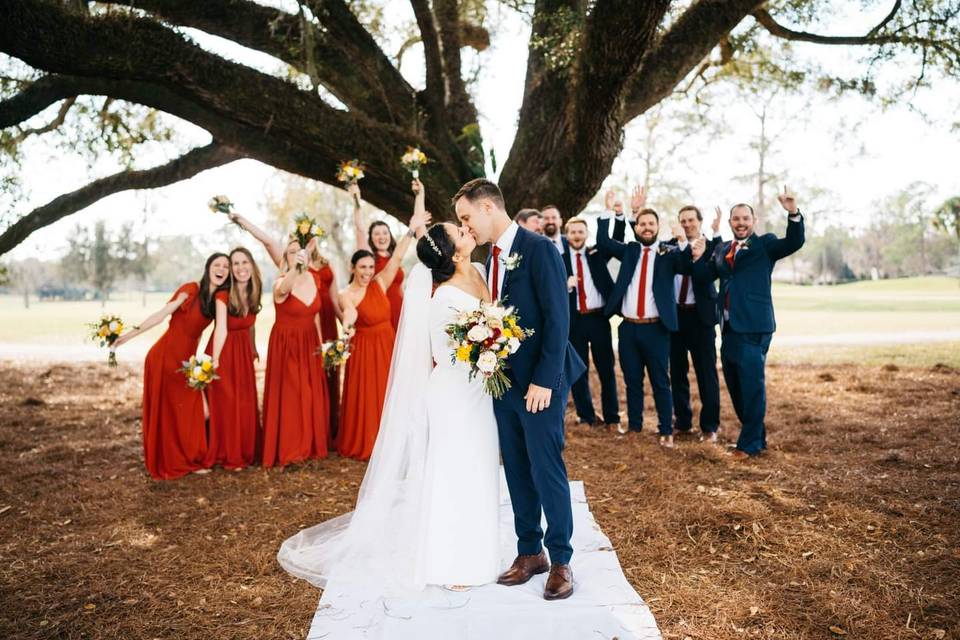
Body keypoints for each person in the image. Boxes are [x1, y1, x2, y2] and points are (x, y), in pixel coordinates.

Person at [277, 219, 499, 594]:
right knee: (451, 473)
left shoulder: (479, 270)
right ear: (449, 249)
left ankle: (481, 548)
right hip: (453, 394)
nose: (466, 230)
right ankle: (450, 560)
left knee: (480, 465)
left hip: (481, 393)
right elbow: (448, 352)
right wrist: (490, 348)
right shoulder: (442, 296)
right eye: (459, 231)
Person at [455, 178, 585, 601]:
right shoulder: (487, 260)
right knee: (515, 468)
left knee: (547, 469)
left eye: (466, 217)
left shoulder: (539, 249)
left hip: (540, 385)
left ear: (488, 207)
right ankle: (529, 551)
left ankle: (561, 558)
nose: (466, 227)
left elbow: (557, 318)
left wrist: (545, 380)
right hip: (503, 383)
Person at [691, 186, 805, 458]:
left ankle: (750, 444)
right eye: (736, 219)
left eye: (745, 218)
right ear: (730, 223)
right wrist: (697, 257)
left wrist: (793, 213)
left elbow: (793, 242)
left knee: (752, 386)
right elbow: (703, 277)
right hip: (729, 328)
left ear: (753, 221)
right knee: (736, 385)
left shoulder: (765, 245)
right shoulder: (722, 250)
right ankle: (756, 436)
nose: (740, 223)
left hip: (755, 327)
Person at [113, 253, 230, 479]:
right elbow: (160, 315)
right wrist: (127, 336)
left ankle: (188, 459)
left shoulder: (220, 297)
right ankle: (176, 462)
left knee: (197, 412)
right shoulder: (191, 289)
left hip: (187, 362)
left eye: (226, 266)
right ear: (208, 268)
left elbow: (222, 329)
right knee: (172, 412)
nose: (222, 269)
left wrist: (215, 359)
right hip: (165, 357)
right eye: (217, 264)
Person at [336, 180, 430, 461]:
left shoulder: (380, 281)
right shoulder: (347, 294)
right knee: (367, 395)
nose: (366, 271)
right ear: (353, 267)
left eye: (369, 267)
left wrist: (411, 230)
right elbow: (349, 315)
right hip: (364, 347)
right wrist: (347, 330)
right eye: (362, 267)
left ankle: (396, 436)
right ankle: (369, 439)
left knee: (392, 388)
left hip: (387, 338)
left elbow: (399, 255)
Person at [229, 212, 342, 440]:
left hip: (315, 332)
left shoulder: (319, 273)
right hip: (289, 338)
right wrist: (242, 220)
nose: (299, 249)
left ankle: (318, 435)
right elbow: (271, 250)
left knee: (315, 388)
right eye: (292, 250)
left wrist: (332, 336)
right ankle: (290, 440)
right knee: (292, 391)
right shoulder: (284, 276)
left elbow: (324, 307)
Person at [596, 186, 692, 448]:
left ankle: (665, 430)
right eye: (642, 224)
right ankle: (635, 428)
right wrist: (608, 211)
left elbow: (687, 266)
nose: (647, 228)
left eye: (651, 224)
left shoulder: (669, 253)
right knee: (632, 381)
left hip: (656, 329)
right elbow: (604, 243)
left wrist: (682, 240)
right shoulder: (630, 251)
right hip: (628, 329)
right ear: (636, 227)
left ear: (658, 226)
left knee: (661, 382)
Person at [260, 237, 330, 468]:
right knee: (291, 394)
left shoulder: (315, 278)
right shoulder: (280, 282)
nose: (297, 255)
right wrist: (296, 267)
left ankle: (310, 446)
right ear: (285, 258)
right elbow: (285, 288)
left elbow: (316, 314)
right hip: (287, 345)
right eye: (291, 253)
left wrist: (321, 346)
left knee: (310, 393)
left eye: (300, 252)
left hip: (310, 343)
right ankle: (290, 450)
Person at [665, 205, 723, 442]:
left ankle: (709, 427)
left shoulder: (712, 248)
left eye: (691, 220)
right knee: (677, 372)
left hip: (701, 318)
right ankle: (683, 421)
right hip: (675, 317)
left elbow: (708, 273)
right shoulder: (670, 245)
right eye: (683, 220)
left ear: (700, 221)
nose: (687, 224)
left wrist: (717, 233)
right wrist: (680, 244)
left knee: (706, 373)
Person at [203, 247, 261, 469]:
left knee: (244, 401)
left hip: (242, 353)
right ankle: (227, 452)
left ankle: (244, 449)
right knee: (227, 403)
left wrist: (253, 348)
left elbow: (251, 324)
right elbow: (221, 329)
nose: (240, 268)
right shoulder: (223, 295)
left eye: (244, 262)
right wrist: (214, 360)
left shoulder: (254, 291)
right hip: (223, 351)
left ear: (251, 265)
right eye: (235, 264)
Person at [563, 215, 620, 430]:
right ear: (566, 235)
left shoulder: (597, 254)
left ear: (586, 234)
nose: (577, 236)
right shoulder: (560, 258)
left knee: (606, 369)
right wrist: (565, 284)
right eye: (573, 232)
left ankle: (612, 418)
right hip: (574, 321)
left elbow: (617, 239)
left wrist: (614, 215)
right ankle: (586, 416)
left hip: (598, 319)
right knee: (578, 371)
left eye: (580, 232)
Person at [351, 182, 405, 330]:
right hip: (380, 310)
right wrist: (356, 202)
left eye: (385, 233)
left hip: (400, 310)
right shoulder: (369, 258)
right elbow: (360, 230)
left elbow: (399, 287)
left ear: (390, 236)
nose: (381, 237)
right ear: (371, 238)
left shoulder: (395, 258)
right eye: (377, 233)